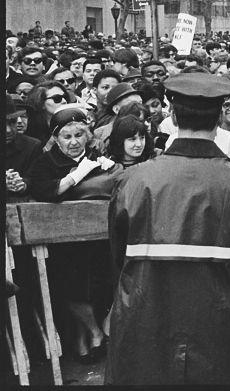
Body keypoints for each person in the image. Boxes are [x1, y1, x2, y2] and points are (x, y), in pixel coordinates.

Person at [106, 73, 230, 385]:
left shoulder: (134, 180)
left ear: (173, 114)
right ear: (220, 115)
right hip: (222, 319)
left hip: (146, 313)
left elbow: (117, 257)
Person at [26, 108, 113, 362]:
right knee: (70, 291)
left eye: (79, 135)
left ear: (87, 136)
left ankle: (84, 343)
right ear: (56, 138)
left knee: (94, 289)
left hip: (95, 239)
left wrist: (110, 168)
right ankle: (96, 333)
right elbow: (45, 192)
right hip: (61, 243)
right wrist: (76, 176)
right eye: (66, 136)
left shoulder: (97, 157)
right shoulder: (45, 162)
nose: (73, 142)